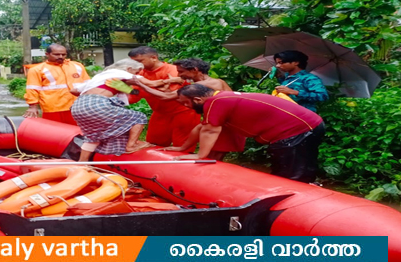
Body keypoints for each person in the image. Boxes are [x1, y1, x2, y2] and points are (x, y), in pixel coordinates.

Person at [172, 84, 325, 183]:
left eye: (186, 103)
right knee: (301, 169)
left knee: (290, 175)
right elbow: (202, 127)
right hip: (306, 126)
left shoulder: (216, 101)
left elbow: (210, 130)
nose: (187, 107)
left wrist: (200, 156)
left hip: (297, 130)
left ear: (198, 99)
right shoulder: (223, 98)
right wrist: (182, 148)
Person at [133, 58, 246, 160]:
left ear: (195, 70)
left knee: (213, 156)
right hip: (224, 120)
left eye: (182, 71)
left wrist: (140, 84)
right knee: (213, 154)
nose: (180, 75)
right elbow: (176, 98)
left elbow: (166, 97)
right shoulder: (219, 81)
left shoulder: (199, 86)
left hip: (227, 122)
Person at [71, 58, 158, 161]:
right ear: (129, 69)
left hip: (78, 106)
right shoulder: (120, 73)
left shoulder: (99, 77)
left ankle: (83, 163)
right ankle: (131, 145)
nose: (138, 74)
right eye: (137, 72)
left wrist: (98, 93)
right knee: (139, 117)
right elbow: (153, 84)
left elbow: (74, 90)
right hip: (96, 104)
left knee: (92, 136)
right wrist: (174, 80)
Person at [128, 46, 201, 150]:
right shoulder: (139, 74)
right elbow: (133, 98)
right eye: (133, 62)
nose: (135, 65)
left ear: (154, 57)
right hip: (160, 113)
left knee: (183, 146)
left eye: (139, 61)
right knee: (153, 145)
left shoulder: (173, 70)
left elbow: (170, 94)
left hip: (184, 112)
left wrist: (145, 86)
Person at [23, 44, 91, 125]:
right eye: (56, 54)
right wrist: (32, 107)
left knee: (78, 132)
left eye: (63, 54)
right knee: (54, 132)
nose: (61, 56)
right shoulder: (37, 70)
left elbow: (88, 85)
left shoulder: (77, 66)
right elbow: (32, 89)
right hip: (53, 109)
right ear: (47, 54)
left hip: (77, 107)